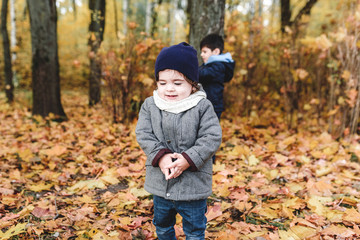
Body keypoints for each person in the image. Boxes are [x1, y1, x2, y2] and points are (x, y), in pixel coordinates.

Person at [135, 42, 222, 240]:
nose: (169, 89)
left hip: (193, 186)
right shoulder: (151, 105)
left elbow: (211, 136)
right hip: (161, 182)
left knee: (194, 229)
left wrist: (188, 159)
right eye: (162, 83)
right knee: (163, 225)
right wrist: (162, 157)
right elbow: (144, 133)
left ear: (192, 84)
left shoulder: (202, 106)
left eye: (177, 83)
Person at [199, 33, 236, 120]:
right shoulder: (208, 65)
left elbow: (204, 74)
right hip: (206, 104)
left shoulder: (219, 66)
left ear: (216, 52)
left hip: (213, 107)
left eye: (204, 52)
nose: (201, 54)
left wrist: (190, 71)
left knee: (210, 131)